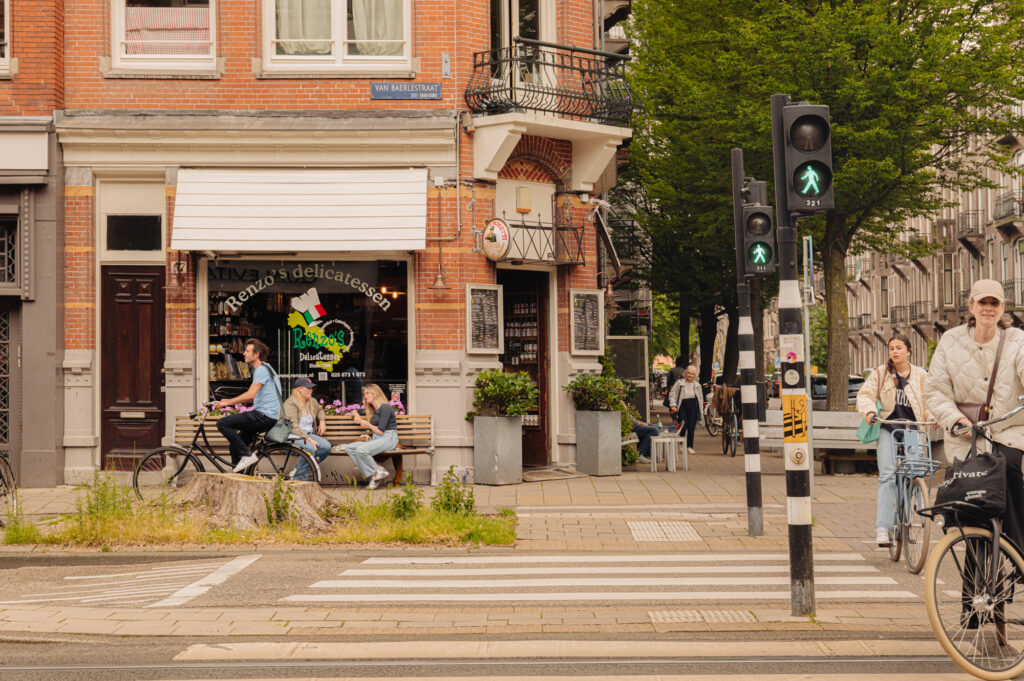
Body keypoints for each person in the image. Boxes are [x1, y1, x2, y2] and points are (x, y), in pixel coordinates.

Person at [925, 278, 1024, 553]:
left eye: (995, 303)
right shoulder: (950, 341)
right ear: (972, 306)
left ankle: (1018, 547)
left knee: (1009, 467)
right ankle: (972, 591)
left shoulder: (1017, 340)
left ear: (1003, 308)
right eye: (983, 302)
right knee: (975, 506)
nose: (988, 308)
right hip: (966, 436)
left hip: (1009, 430)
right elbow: (935, 390)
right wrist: (955, 420)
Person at [856, 332, 931, 547]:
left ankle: (912, 506)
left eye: (899, 347)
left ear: (909, 351)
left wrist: (933, 418)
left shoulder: (920, 376)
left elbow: (928, 403)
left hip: (912, 428)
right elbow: (865, 396)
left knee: (916, 469)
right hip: (889, 428)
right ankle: (883, 527)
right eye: (891, 348)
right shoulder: (881, 373)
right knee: (887, 474)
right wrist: (870, 412)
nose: (895, 351)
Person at [214, 338, 282, 472]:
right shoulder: (268, 368)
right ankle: (240, 478)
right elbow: (253, 396)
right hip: (268, 416)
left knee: (222, 423)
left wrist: (227, 402)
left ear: (256, 355)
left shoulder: (261, 370)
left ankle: (247, 455)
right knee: (235, 446)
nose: (243, 353)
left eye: (247, 351)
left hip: (263, 416)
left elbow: (251, 395)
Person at [337, 383, 399, 489]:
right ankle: (376, 472)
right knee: (349, 448)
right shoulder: (372, 409)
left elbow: (380, 431)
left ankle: (376, 474)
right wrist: (356, 415)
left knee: (361, 450)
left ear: (374, 394)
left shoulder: (385, 408)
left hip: (388, 438)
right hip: (378, 438)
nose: (364, 396)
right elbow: (353, 410)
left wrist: (367, 424)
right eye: (364, 394)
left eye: (367, 393)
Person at [283, 376, 331, 481]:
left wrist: (322, 421)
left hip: (307, 435)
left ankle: (297, 470)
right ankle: (299, 480)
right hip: (292, 436)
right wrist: (308, 439)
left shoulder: (311, 401)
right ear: (299, 389)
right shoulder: (290, 403)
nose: (311, 390)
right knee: (309, 448)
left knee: (326, 447)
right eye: (308, 388)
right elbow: (293, 427)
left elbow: (320, 410)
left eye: (311, 388)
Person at [668, 365, 701, 455]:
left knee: (691, 426)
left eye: (692, 374)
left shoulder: (697, 385)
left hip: (693, 404)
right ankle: (682, 444)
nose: (690, 375)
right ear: (685, 374)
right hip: (682, 405)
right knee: (683, 424)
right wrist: (673, 405)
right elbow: (672, 394)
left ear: (694, 376)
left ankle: (690, 446)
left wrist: (700, 411)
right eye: (689, 373)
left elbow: (700, 399)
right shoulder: (680, 383)